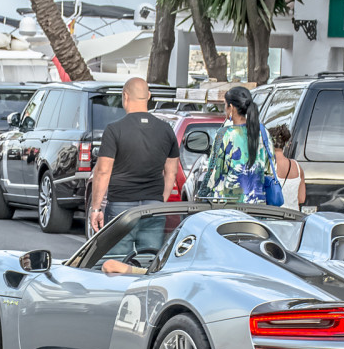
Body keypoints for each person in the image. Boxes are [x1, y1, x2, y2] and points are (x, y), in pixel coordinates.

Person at [88, 78, 180, 253]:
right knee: (149, 263)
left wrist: (96, 208)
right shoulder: (166, 130)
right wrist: (160, 201)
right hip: (153, 207)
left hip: (120, 208)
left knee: (116, 264)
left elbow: (103, 171)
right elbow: (171, 172)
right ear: (149, 96)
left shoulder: (114, 130)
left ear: (125, 96)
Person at [195, 86, 276, 204]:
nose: (224, 109)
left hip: (229, 207)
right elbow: (270, 169)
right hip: (258, 206)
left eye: (225, 105)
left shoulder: (225, 134)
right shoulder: (263, 133)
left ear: (231, 107)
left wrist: (200, 196)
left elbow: (213, 173)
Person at [268, 124, 305, 210]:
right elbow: (301, 199)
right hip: (293, 218)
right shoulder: (298, 167)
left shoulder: (267, 166)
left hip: (272, 217)